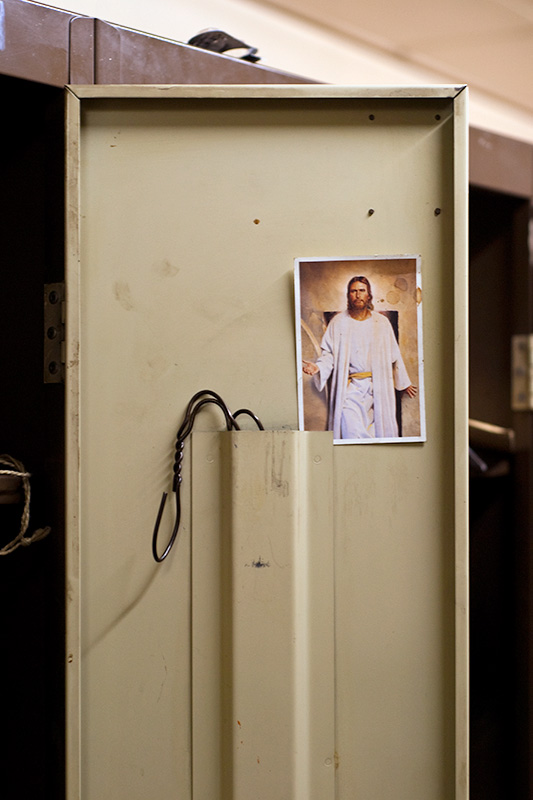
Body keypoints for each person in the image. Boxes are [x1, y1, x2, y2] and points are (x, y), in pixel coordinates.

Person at [302, 276, 417, 439]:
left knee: (378, 431)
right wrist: (318, 367)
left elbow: (394, 355)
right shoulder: (338, 322)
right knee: (349, 428)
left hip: (378, 386)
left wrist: (403, 383)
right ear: (348, 296)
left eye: (361, 291)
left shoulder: (381, 323)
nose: (357, 295)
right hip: (352, 388)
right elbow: (329, 355)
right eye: (353, 291)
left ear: (368, 295)